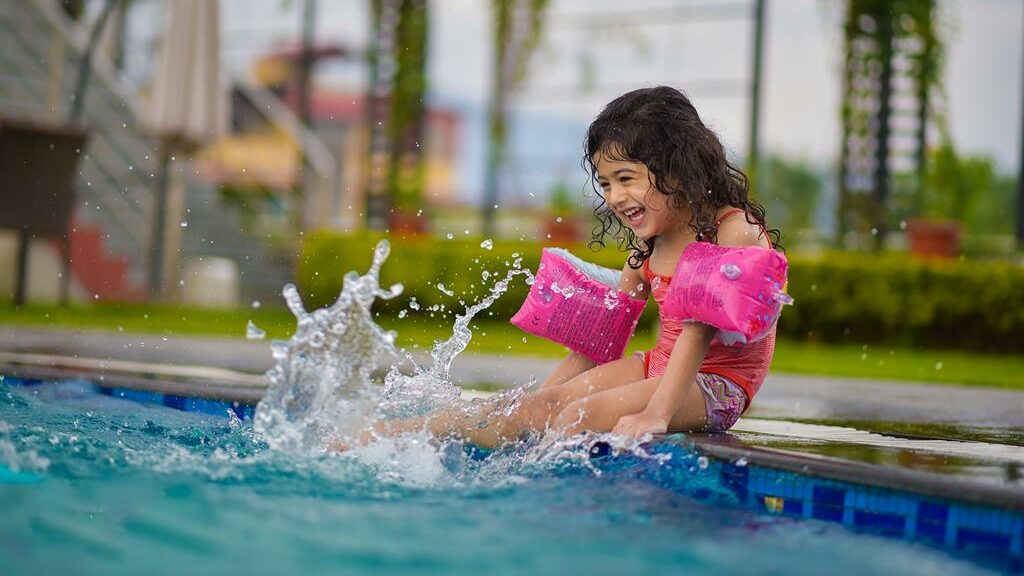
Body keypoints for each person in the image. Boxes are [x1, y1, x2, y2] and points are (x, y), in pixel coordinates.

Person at [346, 86, 781, 450]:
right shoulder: (648, 248)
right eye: (606, 182)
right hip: (658, 368)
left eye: (627, 178)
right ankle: (390, 438)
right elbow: (600, 343)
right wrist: (535, 404)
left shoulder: (731, 231)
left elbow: (697, 332)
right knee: (538, 408)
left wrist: (655, 414)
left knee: (579, 415)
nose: (614, 197)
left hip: (716, 384)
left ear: (676, 168)